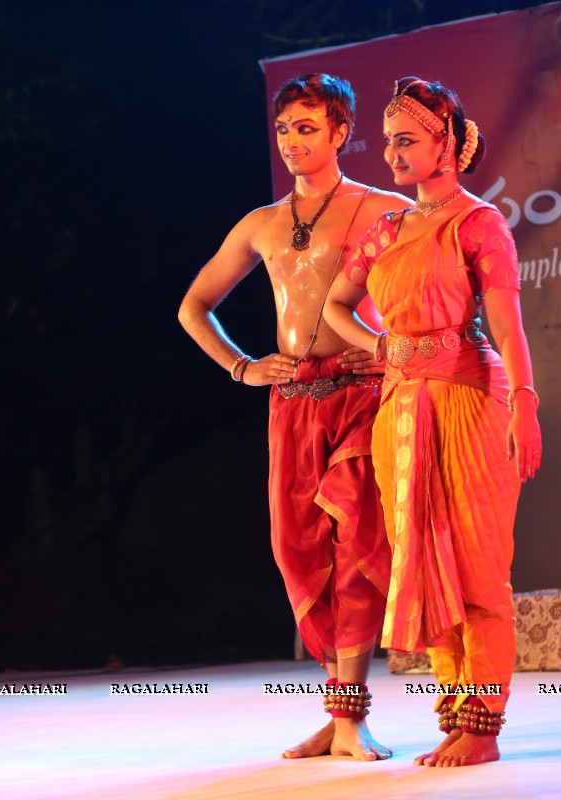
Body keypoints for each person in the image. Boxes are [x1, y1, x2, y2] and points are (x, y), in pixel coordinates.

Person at [178, 73, 409, 761]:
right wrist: (241, 365)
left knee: (356, 550)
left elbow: (438, 269)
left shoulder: (378, 208)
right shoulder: (261, 223)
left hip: (360, 394)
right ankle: (336, 714)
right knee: (297, 553)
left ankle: (351, 718)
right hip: (292, 402)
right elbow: (194, 306)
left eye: (307, 128)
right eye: (283, 130)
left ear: (341, 133)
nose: (292, 142)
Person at [323, 77, 542, 768]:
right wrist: (380, 348)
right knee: (426, 569)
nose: (392, 154)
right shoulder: (386, 229)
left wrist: (528, 403)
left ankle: (484, 723)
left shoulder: (478, 224)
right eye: (388, 141)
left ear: (448, 144)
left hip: (471, 398)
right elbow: (337, 307)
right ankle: (455, 716)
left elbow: (507, 327)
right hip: (399, 410)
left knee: (476, 569)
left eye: (407, 140)